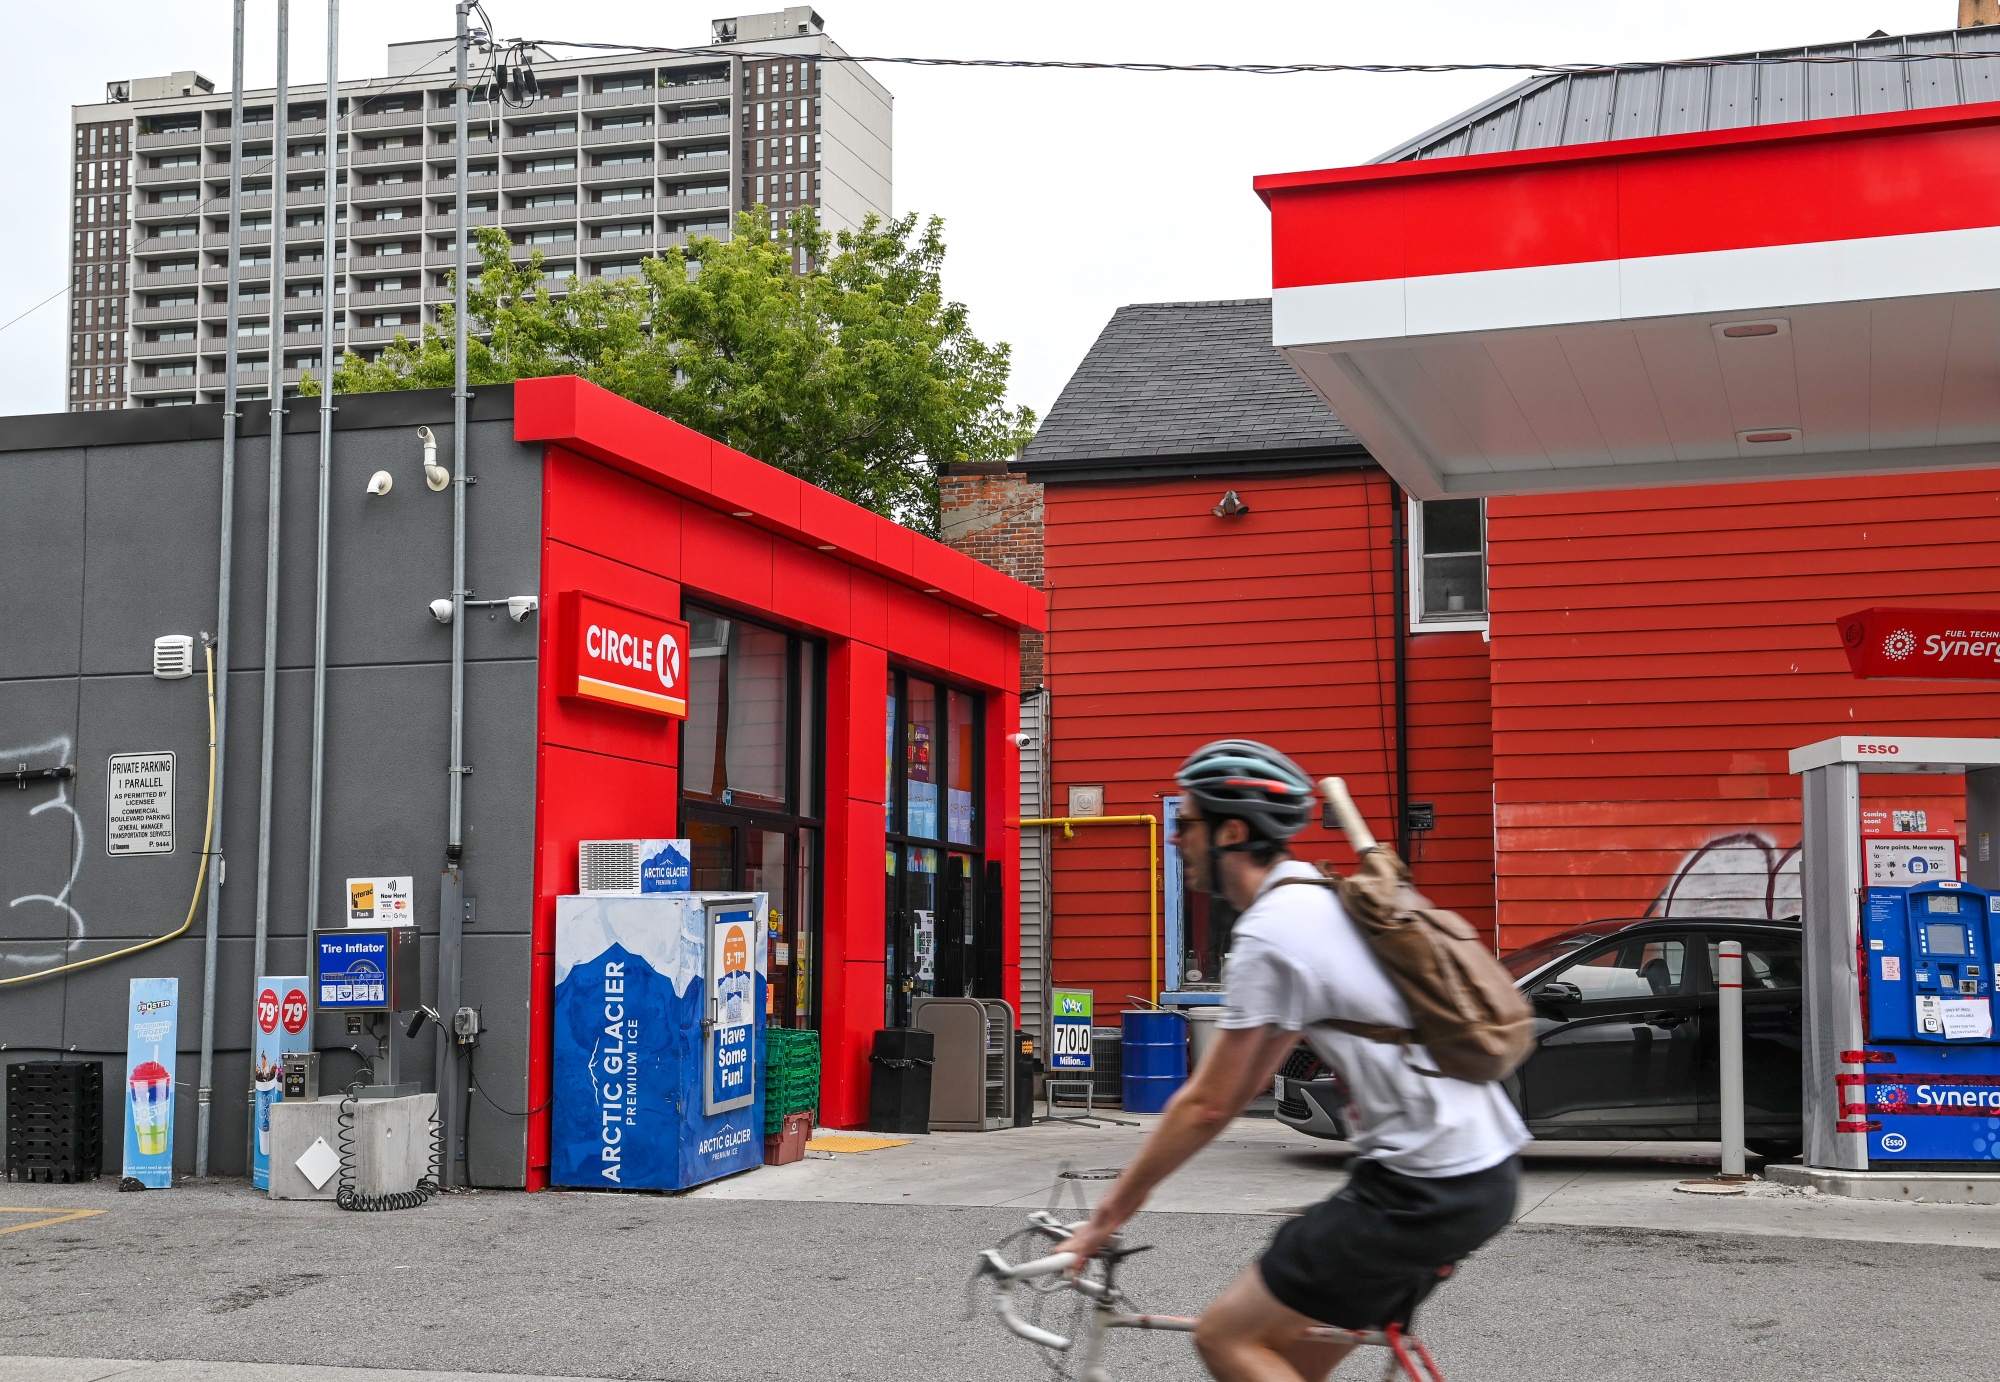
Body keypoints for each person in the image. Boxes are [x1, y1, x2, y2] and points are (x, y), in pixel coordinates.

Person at [1053, 739, 1527, 1382]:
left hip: (1424, 1186)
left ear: (1233, 832)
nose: (1174, 840)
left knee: (1226, 1340)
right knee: (1286, 1362)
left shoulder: (1272, 929)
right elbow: (1244, 1073)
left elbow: (1208, 1104)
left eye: (1185, 825)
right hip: (1473, 1172)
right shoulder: (1315, 896)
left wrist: (1103, 1220)